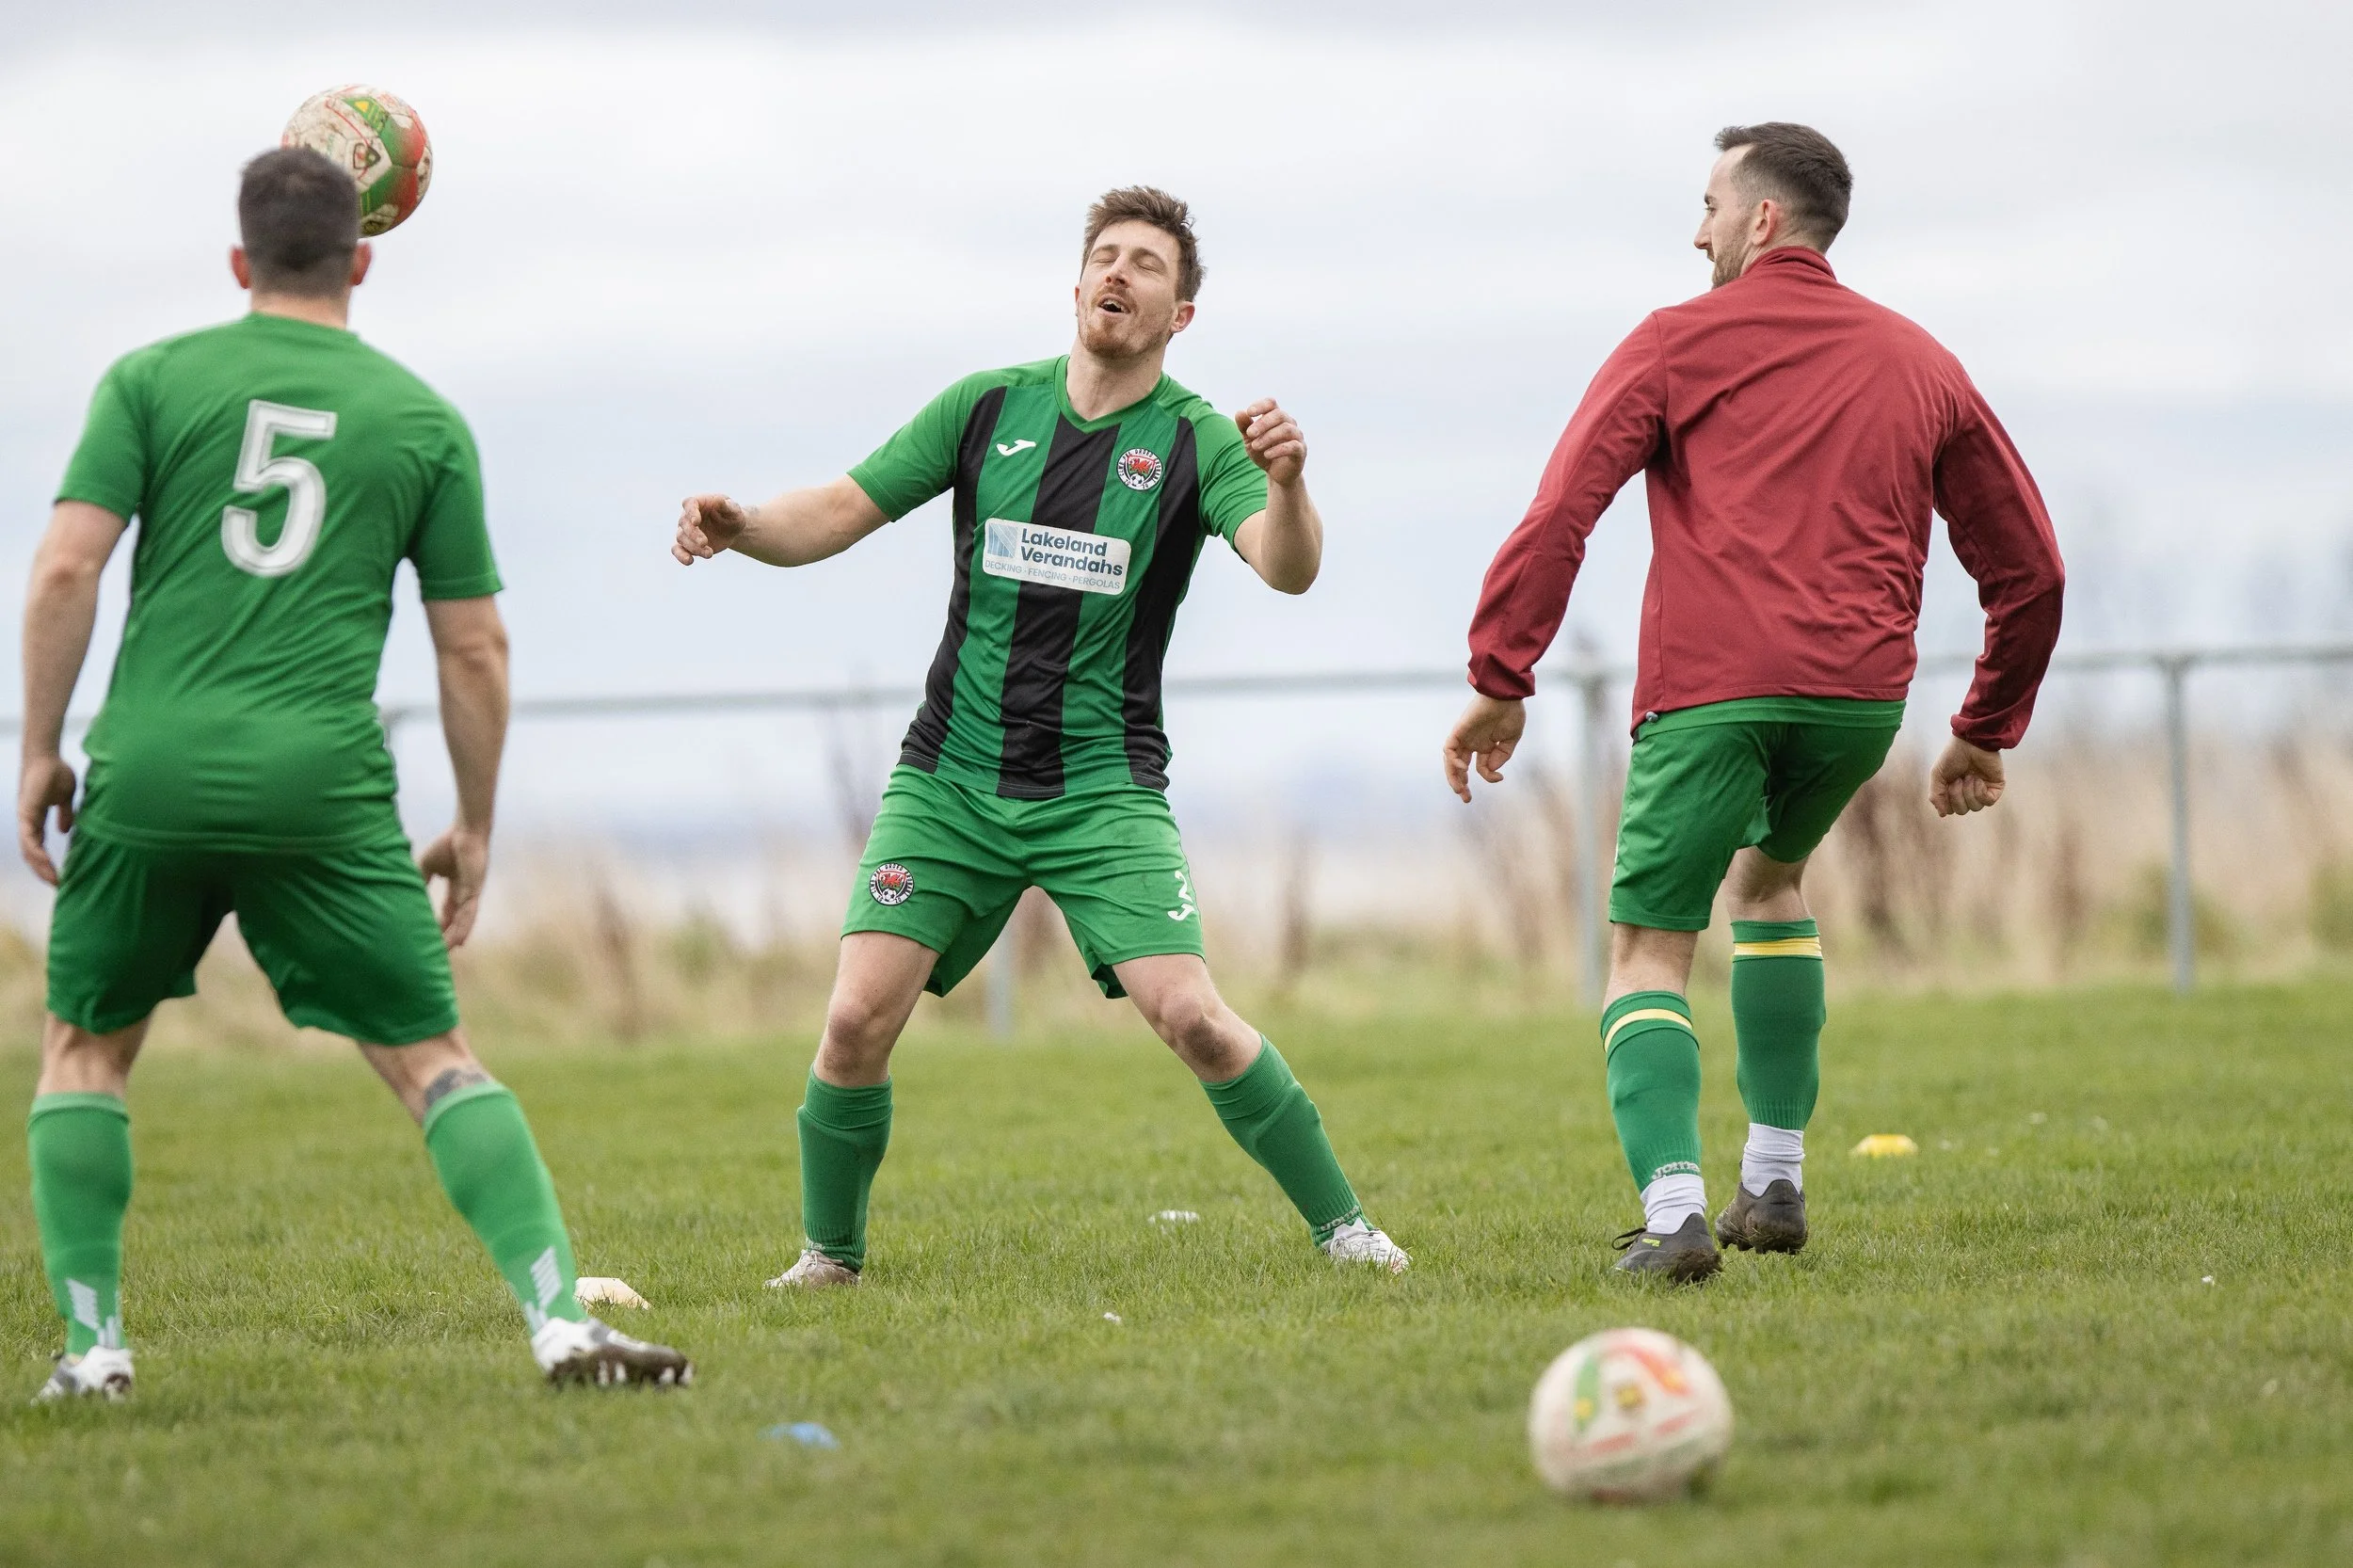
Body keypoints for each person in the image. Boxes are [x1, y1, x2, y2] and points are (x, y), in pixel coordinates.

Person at [18, 148, 691, 1395]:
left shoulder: (152, 380)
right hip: (320, 787)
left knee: (84, 1051)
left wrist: (40, 746)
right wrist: (474, 823)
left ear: (239, 260)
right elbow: (473, 643)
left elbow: (66, 570)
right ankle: (561, 1324)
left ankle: (94, 1351)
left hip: (151, 772)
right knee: (432, 1052)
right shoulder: (421, 418)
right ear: (362, 260)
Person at [672, 185, 1408, 1286]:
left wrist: (1293, 487)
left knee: (1197, 1022)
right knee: (853, 1022)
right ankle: (829, 1258)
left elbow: (1287, 565)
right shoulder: (984, 407)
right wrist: (742, 529)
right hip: (950, 779)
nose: (1119, 274)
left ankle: (1347, 1230)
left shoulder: (1198, 438)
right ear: (1073, 287)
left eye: (1147, 264)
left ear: (1182, 312)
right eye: (1103, 257)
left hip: (1103, 791)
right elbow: (836, 509)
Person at [1442, 123, 2065, 1283]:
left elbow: (1561, 511)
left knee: (1645, 951)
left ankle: (1675, 1212)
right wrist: (1982, 724)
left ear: (1762, 219)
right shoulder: (1920, 359)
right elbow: (2030, 568)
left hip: (1712, 694)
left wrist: (1498, 677)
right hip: (1858, 704)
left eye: (1711, 205)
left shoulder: (1675, 341)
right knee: (1771, 882)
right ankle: (1772, 1178)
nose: (1698, 229)